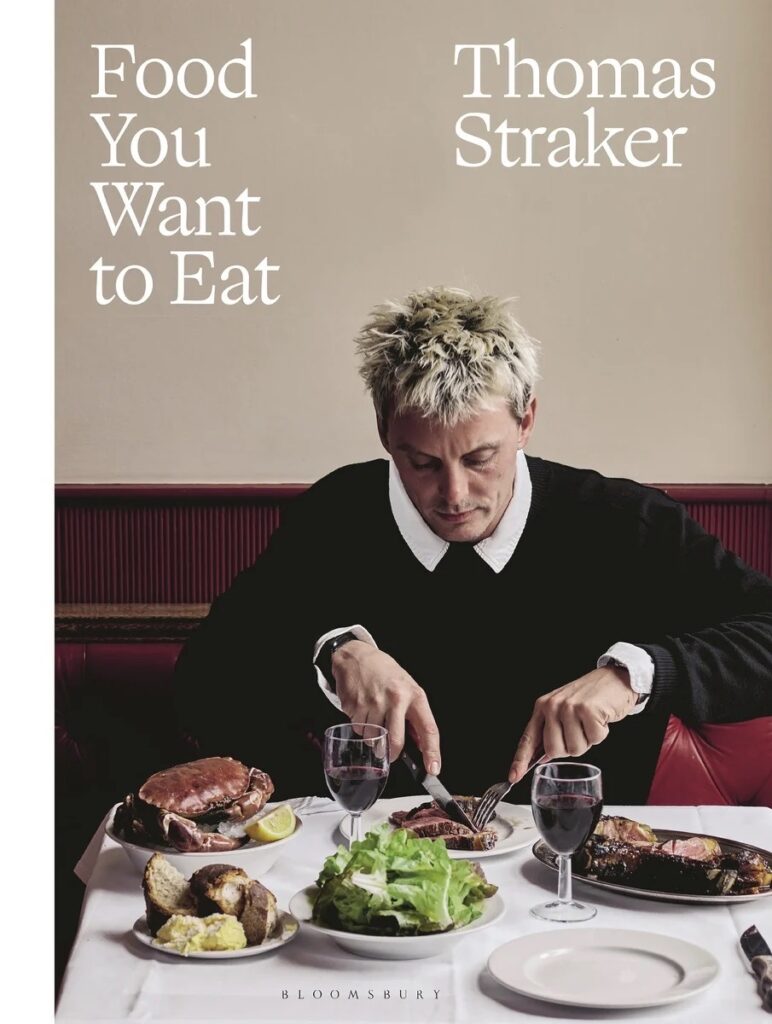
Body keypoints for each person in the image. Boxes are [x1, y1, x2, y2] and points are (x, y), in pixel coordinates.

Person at [174, 287, 772, 803]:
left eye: (481, 458)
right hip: (372, 870)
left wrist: (634, 675)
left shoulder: (628, 523)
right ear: (385, 430)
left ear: (525, 421)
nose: (454, 494)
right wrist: (333, 654)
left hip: (577, 868)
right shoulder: (330, 517)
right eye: (423, 462)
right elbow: (202, 680)